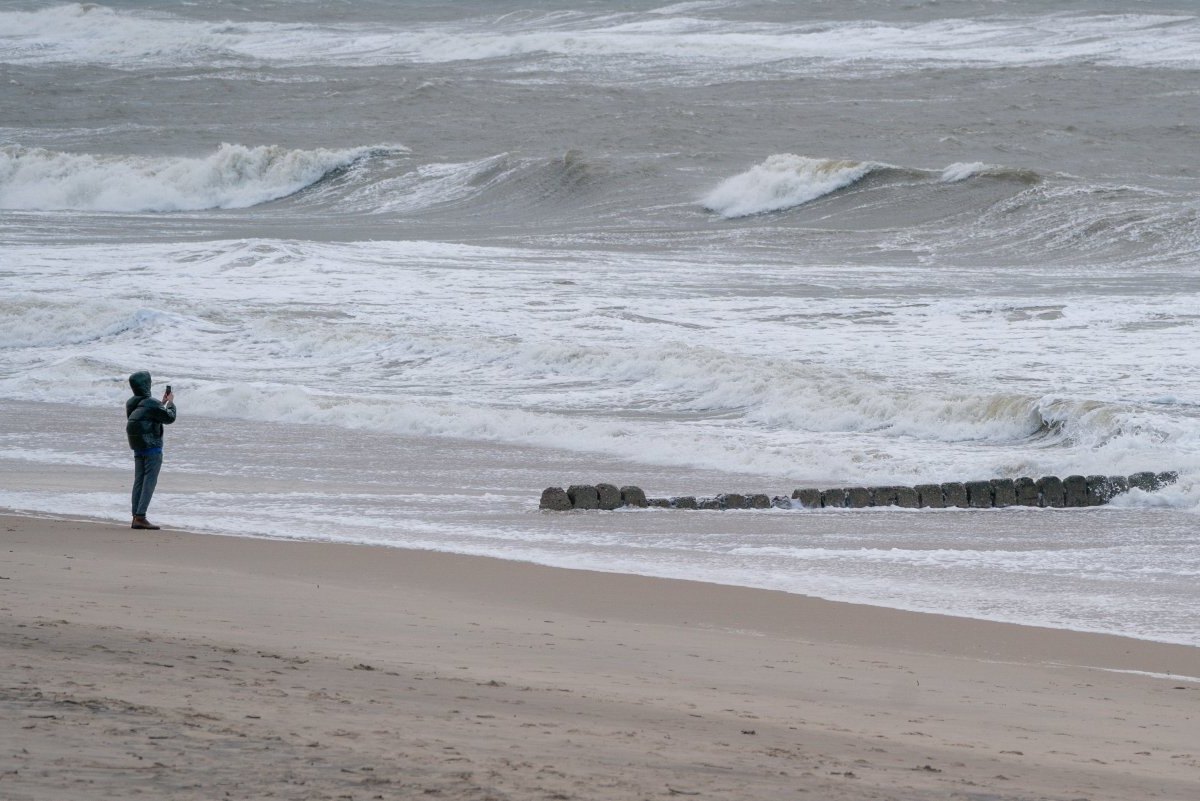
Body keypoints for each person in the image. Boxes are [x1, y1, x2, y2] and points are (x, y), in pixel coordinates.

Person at [125, 371, 177, 530]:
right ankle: (141, 517)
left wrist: (161, 404)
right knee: (150, 480)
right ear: (146, 385)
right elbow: (169, 417)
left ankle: (136, 516)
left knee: (139, 480)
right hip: (152, 446)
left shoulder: (131, 403)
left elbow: (150, 415)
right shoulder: (151, 403)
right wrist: (170, 403)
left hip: (137, 445)